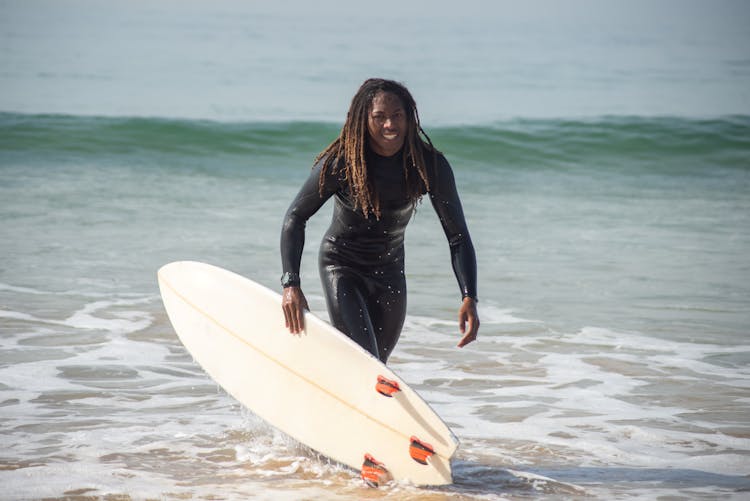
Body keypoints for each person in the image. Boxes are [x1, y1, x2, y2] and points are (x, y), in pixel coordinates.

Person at [280, 78, 478, 363]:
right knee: (366, 360)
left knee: (376, 366)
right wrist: (291, 285)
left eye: (397, 115)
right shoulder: (342, 163)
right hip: (342, 266)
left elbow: (457, 236)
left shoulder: (429, 165)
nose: (390, 125)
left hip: (389, 271)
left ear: (409, 118)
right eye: (379, 117)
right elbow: (295, 217)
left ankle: (340, 395)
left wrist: (469, 295)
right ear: (364, 119)